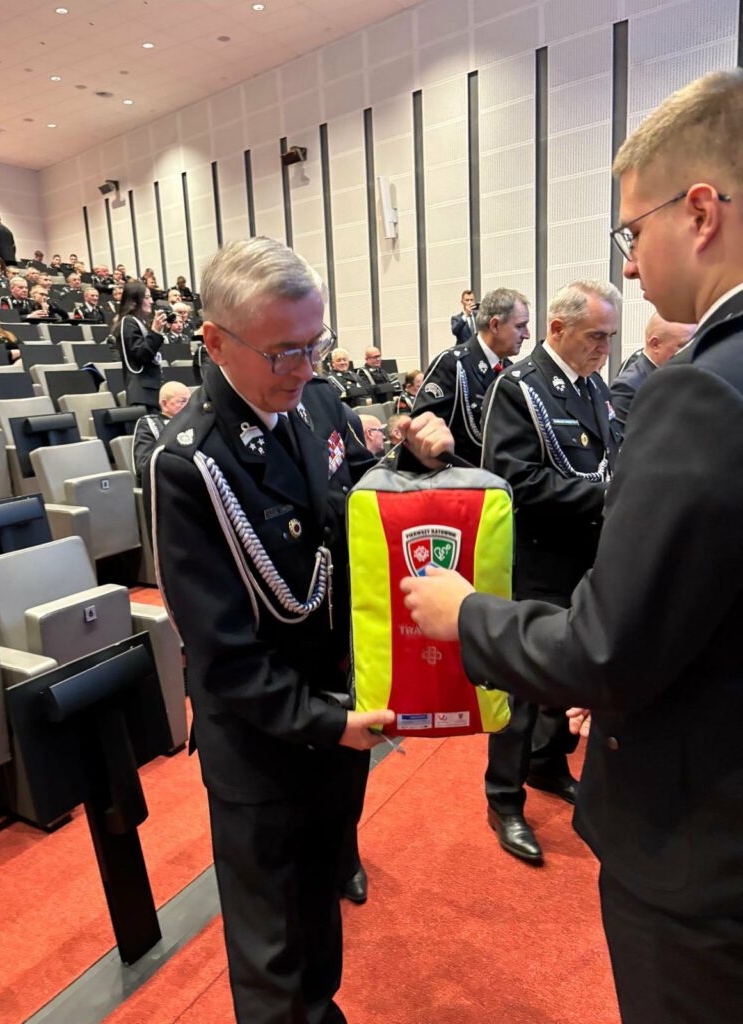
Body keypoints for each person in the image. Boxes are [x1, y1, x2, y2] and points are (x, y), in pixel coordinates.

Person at [400, 68, 743, 1024]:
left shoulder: (700, 386)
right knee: (523, 722)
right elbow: (530, 477)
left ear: (700, 212)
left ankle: (540, 770)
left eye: (633, 233)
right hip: (561, 571)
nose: (630, 267)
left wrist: (465, 614)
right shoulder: (531, 385)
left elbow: (605, 652)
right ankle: (512, 789)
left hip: (700, 842)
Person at [146, 236, 453, 1024]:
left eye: (316, 344)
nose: (306, 367)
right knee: (274, 947)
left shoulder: (314, 401)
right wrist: (326, 722)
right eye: (284, 351)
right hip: (265, 742)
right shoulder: (191, 464)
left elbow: (351, 511)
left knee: (318, 907)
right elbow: (222, 657)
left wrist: (413, 464)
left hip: (336, 711)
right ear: (216, 342)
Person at [476, 280, 622, 863]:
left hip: (586, 558)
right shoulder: (520, 389)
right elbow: (512, 478)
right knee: (521, 687)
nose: (605, 349)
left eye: (610, 338)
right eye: (595, 337)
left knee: (569, 673)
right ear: (557, 329)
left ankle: (548, 763)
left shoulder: (593, 387)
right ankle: (503, 799)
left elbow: (607, 457)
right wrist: (606, 499)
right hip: (537, 561)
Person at [413, 287, 530, 466]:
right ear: (495, 325)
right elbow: (421, 435)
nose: (527, 334)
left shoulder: (508, 370)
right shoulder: (453, 365)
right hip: (462, 477)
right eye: (520, 326)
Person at [609, 313, 695, 426]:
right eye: (682, 346)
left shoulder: (678, 378)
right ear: (655, 345)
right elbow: (623, 435)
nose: (689, 353)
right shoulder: (628, 387)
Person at [112, 281, 167, 412]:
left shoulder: (141, 323)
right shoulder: (128, 322)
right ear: (134, 301)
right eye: (147, 297)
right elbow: (142, 355)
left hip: (150, 390)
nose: (151, 301)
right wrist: (155, 332)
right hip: (142, 394)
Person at [132, 381, 190, 484]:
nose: (188, 406)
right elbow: (144, 468)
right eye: (182, 402)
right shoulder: (149, 424)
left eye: (189, 402)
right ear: (164, 404)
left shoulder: (194, 422)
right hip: (167, 484)